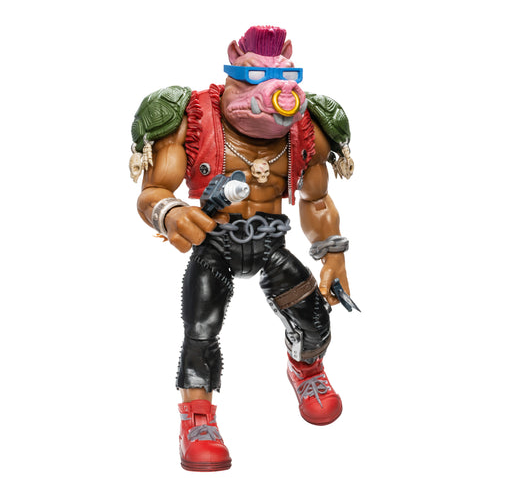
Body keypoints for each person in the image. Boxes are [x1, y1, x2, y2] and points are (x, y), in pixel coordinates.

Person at [130, 25, 355, 471]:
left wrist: (333, 253)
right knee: (201, 332)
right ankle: (197, 419)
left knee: (315, 321)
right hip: (214, 241)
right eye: (255, 77)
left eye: (284, 79)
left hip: (270, 242)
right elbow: (152, 192)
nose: (275, 94)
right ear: (234, 71)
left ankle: (305, 368)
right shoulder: (192, 117)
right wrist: (171, 213)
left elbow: (317, 199)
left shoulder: (305, 129)